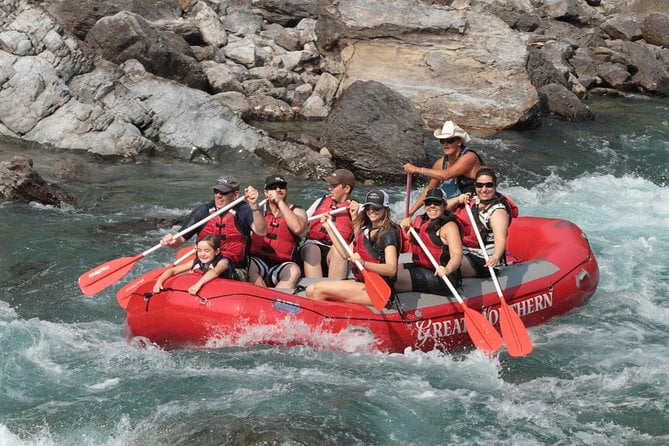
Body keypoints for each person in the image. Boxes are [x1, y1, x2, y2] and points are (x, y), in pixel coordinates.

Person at [159, 176, 266, 281]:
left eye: (223, 192)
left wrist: (255, 207)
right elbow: (177, 242)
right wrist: (171, 241)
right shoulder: (203, 211)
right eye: (216, 191)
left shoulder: (243, 210)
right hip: (205, 265)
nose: (218, 196)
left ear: (235, 195)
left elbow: (261, 231)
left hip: (235, 270)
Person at [306, 190, 401, 307]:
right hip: (363, 282)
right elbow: (346, 255)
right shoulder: (365, 229)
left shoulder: (389, 233)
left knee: (318, 290)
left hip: (378, 289)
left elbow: (391, 269)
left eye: (376, 208)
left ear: (385, 209)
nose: (371, 211)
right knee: (310, 290)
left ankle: (324, 323)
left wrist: (364, 263)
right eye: (368, 207)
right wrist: (328, 227)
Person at [447, 167, 517, 278]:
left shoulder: (498, 212)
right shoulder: (472, 199)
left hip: (484, 260)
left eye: (488, 185)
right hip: (464, 251)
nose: (483, 189)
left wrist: (495, 257)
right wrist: (457, 200)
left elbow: (500, 239)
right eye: (479, 185)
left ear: (495, 186)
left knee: (446, 262)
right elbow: (441, 209)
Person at [403, 120, 484, 215]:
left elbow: (446, 175)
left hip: (472, 202)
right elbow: (430, 188)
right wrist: (412, 211)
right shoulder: (440, 163)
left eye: (450, 141)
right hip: (453, 204)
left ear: (459, 142)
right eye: (442, 141)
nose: (445, 144)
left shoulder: (469, 157)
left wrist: (417, 169)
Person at [395, 188, 463, 294]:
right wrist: (405, 229)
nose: (432, 206)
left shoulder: (449, 226)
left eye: (437, 202)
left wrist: (447, 269)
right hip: (422, 266)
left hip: (441, 276)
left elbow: (457, 255)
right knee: (392, 270)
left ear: (444, 205)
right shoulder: (420, 220)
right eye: (428, 203)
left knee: (394, 279)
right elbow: (410, 243)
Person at [248, 174, 308, 288]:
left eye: (281, 187)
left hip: (283, 265)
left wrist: (280, 202)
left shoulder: (298, 211)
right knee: (249, 265)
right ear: (266, 192)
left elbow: (298, 228)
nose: (278, 190)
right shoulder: (258, 209)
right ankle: (262, 294)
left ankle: (277, 299)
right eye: (273, 187)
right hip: (258, 261)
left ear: (287, 190)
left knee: (294, 271)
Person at [300, 168, 357, 278]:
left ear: (347, 188)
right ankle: (315, 287)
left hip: (335, 253)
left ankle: (332, 289)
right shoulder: (320, 201)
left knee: (338, 250)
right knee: (311, 248)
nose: (330, 189)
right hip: (312, 248)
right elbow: (301, 224)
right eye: (330, 185)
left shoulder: (356, 209)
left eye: (334, 186)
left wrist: (356, 215)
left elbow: (360, 238)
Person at [153, 235, 231, 295]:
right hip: (204, 276)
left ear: (217, 251)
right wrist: (159, 282)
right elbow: (173, 270)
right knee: (191, 272)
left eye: (207, 251)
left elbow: (215, 272)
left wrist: (198, 284)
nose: (202, 254)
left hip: (236, 277)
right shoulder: (197, 261)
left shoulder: (223, 262)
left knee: (192, 272)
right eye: (199, 251)